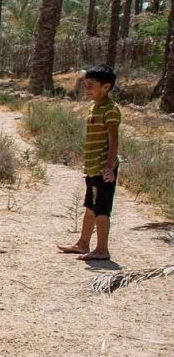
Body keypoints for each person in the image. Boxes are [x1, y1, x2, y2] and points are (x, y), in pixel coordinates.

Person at [57, 64, 121, 261]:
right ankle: (83, 244)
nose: (87, 89)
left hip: (104, 169)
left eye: (91, 86)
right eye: (86, 85)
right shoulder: (94, 108)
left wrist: (109, 166)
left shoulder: (110, 110)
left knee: (102, 210)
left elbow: (113, 140)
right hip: (93, 168)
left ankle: (102, 249)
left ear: (106, 87)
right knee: (91, 207)